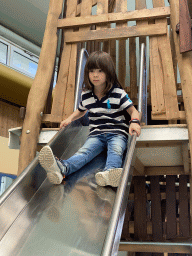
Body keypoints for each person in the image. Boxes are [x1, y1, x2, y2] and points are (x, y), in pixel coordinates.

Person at [39, 51, 141, 187]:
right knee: (84, 152)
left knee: (116, 150)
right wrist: (69, 119)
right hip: (96, 134)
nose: (95, 75)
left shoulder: (118, 93)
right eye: (91, 71)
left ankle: (109, 173)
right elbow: (81, 111)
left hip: (116, 133)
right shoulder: (86, 95)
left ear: (108, 73)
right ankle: (62, 168)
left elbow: (133, 110)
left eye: (100, 71)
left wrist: (134, 122)